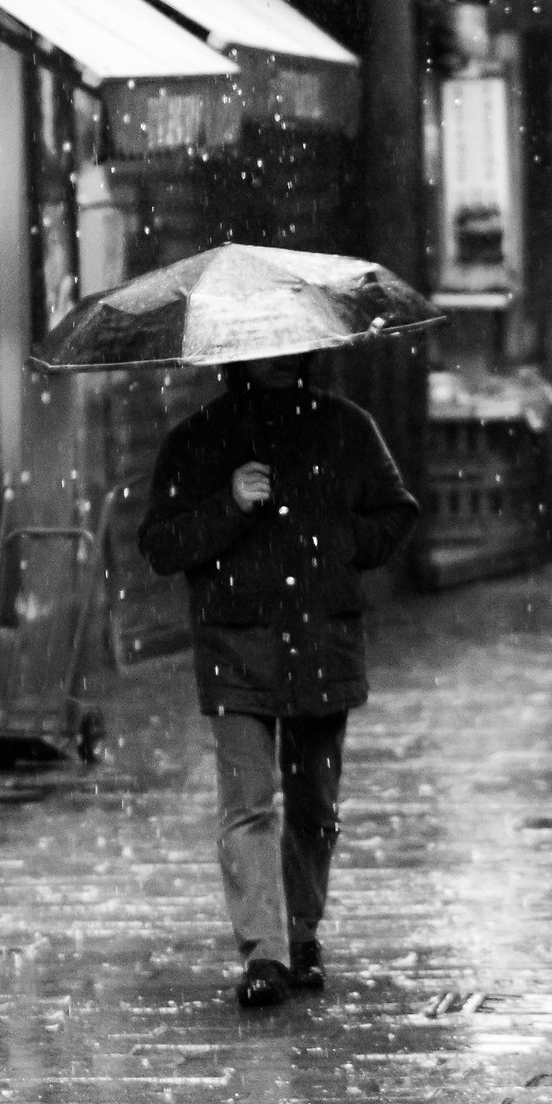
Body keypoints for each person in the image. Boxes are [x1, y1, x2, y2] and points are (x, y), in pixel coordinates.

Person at [138, 353, 419, 1009]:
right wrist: (229, 504)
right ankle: (264, 954)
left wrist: (337, 539)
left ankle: (302, 934)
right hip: (235, 643)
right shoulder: (197, 438)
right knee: (249, 803)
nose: (273, 359)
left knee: (315, 804)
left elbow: (397, 514)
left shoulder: (347, 428)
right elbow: (161, 545)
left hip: (322, 639)